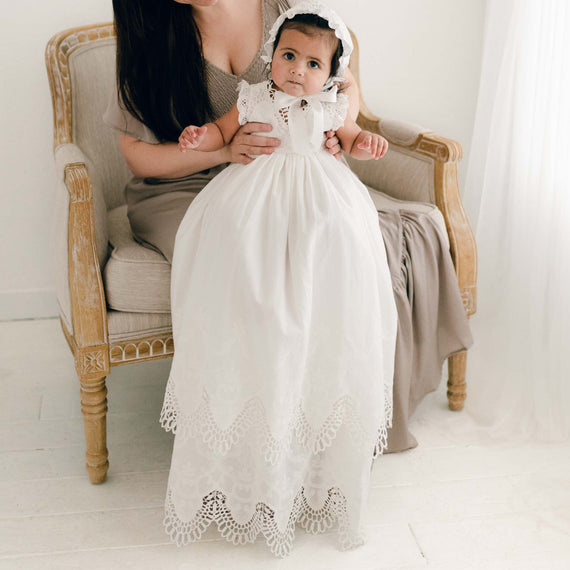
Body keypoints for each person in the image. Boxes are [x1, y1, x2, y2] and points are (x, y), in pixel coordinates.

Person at [160, 2, 397, 557]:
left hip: (319, 194)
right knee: (234, 241)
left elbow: (355, 133)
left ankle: (314, 449)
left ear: (331, 74)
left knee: (338, 240)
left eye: (313, 63)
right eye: (288, 55)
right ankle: (248, 439)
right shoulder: (256, 96)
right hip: (256, 191)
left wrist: (363, 143)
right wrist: (199, 137)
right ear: (272, 57)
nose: (297, 70)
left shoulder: (331, 105)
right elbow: (222, 130)